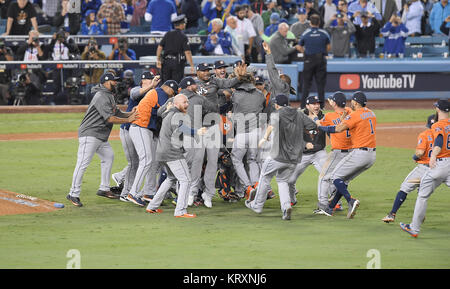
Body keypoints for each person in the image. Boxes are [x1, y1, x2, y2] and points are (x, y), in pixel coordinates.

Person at [66, 72, 139, 207]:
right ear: (106, 82)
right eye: (113, 81)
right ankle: (73, 193)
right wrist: (128, 120)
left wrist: (130, 113)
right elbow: (110, 118)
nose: (116, 83)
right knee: (83, 163)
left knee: (108, 156)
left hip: (100, 135)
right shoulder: (101, 96)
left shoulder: (109, 95)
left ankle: (104, 188)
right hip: (90, 133)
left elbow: (116, 112)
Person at [245, 94, 318, 220]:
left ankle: (257, 205)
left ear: (277, 104)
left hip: (277, 156)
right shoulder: (299, 114)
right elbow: (312, 126)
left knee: (264, 177)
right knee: (282, 181)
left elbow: (271, 126)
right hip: (294, 158)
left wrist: (264, 138)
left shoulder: (277, 114)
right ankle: (286, 207)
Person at [315, 91, 376, 219]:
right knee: (343, 180)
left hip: (360, 153)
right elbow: (349, 113)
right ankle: (330, 208)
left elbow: (338, 129)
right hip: (371, 156)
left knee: (335, 177)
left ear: (356, 102)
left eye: (353, 101)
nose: (351, 103)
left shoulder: (354, 115)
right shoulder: (371, 113)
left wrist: (322, 128)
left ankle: (351, 200)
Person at [145, 94, 208, 218]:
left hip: (162, 152)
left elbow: (164, 116)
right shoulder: (176, 115)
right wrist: (197, 132)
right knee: (186, 180)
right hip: (172, 153)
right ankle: (180, 211)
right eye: (184, 102)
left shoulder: (170, 113)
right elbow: (181, 128)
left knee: (171, 178)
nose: (187, 104)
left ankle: (152, 206)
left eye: (187, 102)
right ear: (176, 103)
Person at [400, 99, 449, 238]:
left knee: (422, 195)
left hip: (440, 165)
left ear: (438, 110)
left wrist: (433, 155)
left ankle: (414, 228)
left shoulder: (438, 125)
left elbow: (439, 141)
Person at [125, 79, 178, 207]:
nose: (172, 95)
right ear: (169, 88)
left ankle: (148, 192)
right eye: (173, 92)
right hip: (140, 127)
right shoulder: (160, 92)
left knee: (153, 161)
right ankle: (133, 192)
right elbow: (165, 112)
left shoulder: (158, 93)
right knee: (146, 160)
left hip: (146, 129)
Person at [113, 72, 160, 202]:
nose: (151, 81)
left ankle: (120, 177)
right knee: (135, 162)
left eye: (152, 79)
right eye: (148, 80)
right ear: (142, 81)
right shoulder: (136, 89)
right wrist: (151, 86)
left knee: (143, 160)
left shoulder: (153, 93)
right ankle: (126, 192)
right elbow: (134, 94)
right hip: (127, 130)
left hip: (140, 131)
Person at [382, 115, 435, 223]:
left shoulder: (424, 135)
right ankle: (420, 215)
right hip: (438, 169)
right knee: (423, 192)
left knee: (404, 188)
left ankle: (392, 214)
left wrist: (415, 157)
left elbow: (420, 153)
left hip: (423, 169)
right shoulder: (443, 135)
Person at [314, 92, 353, 215]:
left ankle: (323, 206)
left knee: (324, 178)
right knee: (340, 179)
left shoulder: (330, 116)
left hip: (338, 152)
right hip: (352, 153)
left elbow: (319, 124)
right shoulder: (350, 112)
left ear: (334, 103)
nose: (329, 102)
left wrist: (315, 117)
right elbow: (345, 109)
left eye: (331, 101)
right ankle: (336, 203)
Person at [230, 71, 266, 200]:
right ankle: (256, 184)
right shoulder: (260, 94)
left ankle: (247, 187)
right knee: (253, 160)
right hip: (256, 132)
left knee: (237, 160)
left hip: (241, 133)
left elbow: (232, 106)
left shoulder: (236, 95)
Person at [287, 95, 328, 207]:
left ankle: (335, 202)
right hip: (302, 154)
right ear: (307, 106)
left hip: (319, 153)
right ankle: (292, 199)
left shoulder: (323, 117)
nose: (316, 106)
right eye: (313, 104)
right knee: (289, 180)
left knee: (329, 175)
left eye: (318, 103)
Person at [298, 14, 331, 109]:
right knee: (320, 85)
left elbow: (300, 46)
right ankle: (322, 106)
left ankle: (303, 106)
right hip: (321, 60)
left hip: (309, 60)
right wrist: (322, 51)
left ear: (310, 22)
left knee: (306, 84)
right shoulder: (324, 33)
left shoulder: (306, 33)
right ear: (319, 22)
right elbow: (329, 47)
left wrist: (306, 52)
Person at [156, 15, 195, 83]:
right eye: (184, 23)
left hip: (166, 62)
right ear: (181, 25)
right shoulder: (183, 36)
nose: (185, 25)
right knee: (176, 84)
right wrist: (191, 65)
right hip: (177, 63)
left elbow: (160, 47)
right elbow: (187, 52)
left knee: (165, 83)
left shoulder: (168, 34)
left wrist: (158, 59)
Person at [81, 38, 106, 103]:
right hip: (88, 81)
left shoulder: (101, 54)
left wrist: (97, 58)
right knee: (88, 99)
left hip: (98, 81)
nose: (92, 46)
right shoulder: (86, 55)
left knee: (97, 101)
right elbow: (82, 60)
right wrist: (86, 51)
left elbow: (105, 62)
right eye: (91, 45)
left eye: (94, 45)